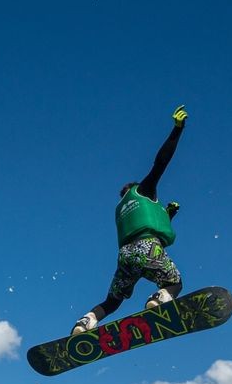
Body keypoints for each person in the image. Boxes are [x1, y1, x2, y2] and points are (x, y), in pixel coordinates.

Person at [72, 105, 189, 334]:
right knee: (175, 283)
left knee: (113, 301)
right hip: (148, 248)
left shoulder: (122, 208)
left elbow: (146, 224)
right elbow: (160, 164)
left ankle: (86, 321)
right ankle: (159, 297)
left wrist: (168, 216)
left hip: (125, 256)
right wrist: (177, 130)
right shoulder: (143, 190)